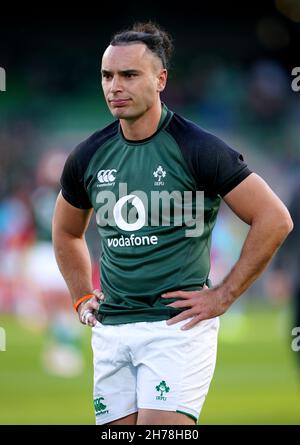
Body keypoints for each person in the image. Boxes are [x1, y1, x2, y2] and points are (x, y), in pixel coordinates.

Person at [52, 22, 293, 425]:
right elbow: (65, 230)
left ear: (160, 79)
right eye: (107, 76)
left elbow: (274, 219)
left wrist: (224, 295)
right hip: (111, 330)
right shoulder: (88, 155)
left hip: (175, 330)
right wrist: (80, 295)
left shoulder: (198, 148)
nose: (115, 86)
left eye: (129, 75)